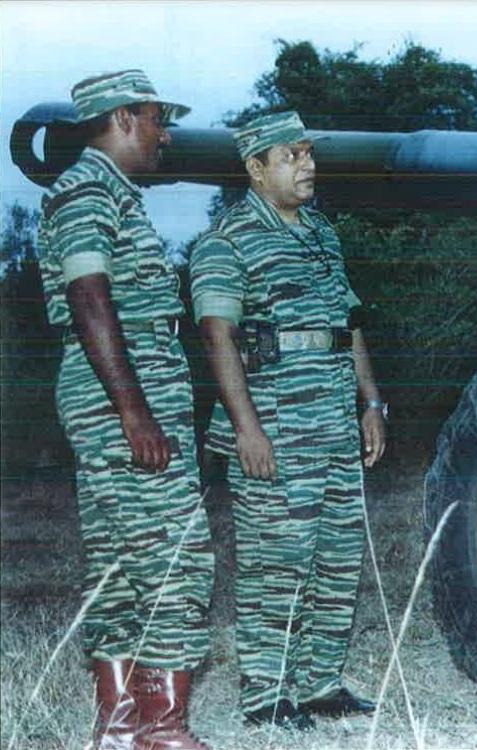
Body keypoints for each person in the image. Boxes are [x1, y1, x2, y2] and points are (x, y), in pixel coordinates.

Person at [190, 111, 386, 730]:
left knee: (336, 558)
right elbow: (218, 336)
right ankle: (265, 696)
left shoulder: (323, 233)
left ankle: (320, 683)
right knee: (278, 563)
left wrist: (370, 402)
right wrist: (247, 429)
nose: (308, 165)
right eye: (291, 156)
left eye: (308, 153)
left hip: (332, 422)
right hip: (277, 426)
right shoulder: (227, 240)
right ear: (255, 168)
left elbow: (346, 326)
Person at [36, 69, 214, 750]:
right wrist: (134, 413)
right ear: (122, 119)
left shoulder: (107, 193)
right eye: (157, 118)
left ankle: (119, 727)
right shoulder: (87, 191)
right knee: (176, 556)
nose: (166, 134)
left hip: (118, 386)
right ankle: (163, 731)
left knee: (118, 562)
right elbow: (89, 297)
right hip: (120, 388)